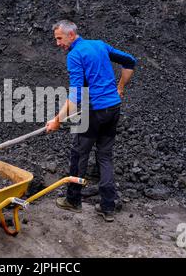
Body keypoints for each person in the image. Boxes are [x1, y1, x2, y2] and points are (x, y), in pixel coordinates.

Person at [46, 20, 137, 222]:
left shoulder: (75, 55)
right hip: (113, 109)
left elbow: (76, 94)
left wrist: (57, 121)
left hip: (93, 111)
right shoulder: (99, 44)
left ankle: (73, 200)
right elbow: (130, 61)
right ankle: (107, 207)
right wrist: (120, 87)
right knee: (105, 157)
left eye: (59, 38)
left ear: (71, 35)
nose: (58, 43)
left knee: (79, 154)